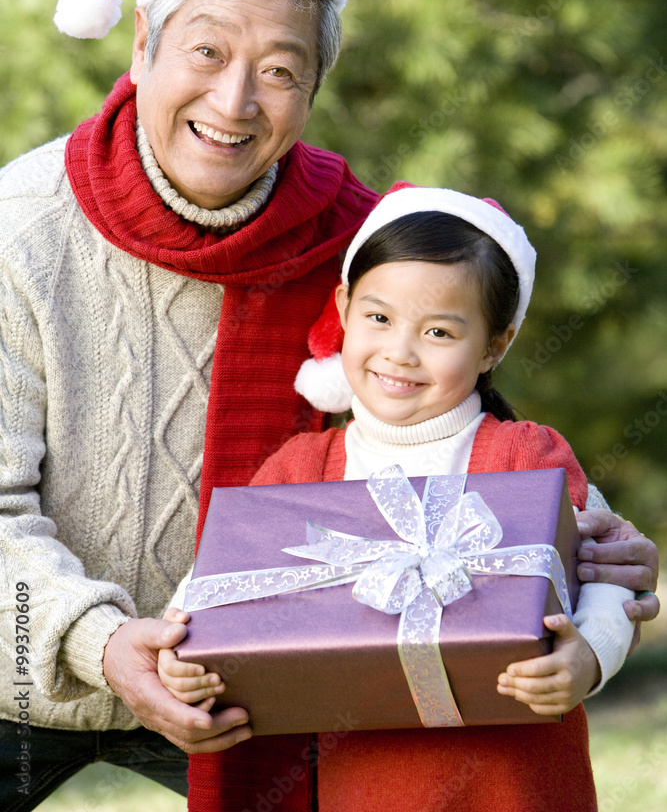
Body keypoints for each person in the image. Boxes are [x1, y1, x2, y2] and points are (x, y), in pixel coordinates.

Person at [0, 0, 657, 812]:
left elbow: (469, 450)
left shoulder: (364, 251)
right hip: (25, 658)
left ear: (315, 89)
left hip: (259, 691)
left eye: (280, 71)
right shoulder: (19, 230)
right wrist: (93, 642)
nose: (234, 104)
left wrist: (590, 547)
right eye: (208, 54)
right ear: (141, 45)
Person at [160, 186, 638, 811]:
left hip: (518, 784)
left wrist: (588, 660)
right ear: (344, 306)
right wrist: (181, 657)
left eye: (439, 331)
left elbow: (610, 577)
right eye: (378, 318)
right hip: (368, 781)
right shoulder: (303, 468)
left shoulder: (525, 456)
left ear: (495, 345)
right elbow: (217, 588)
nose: (400, 352)